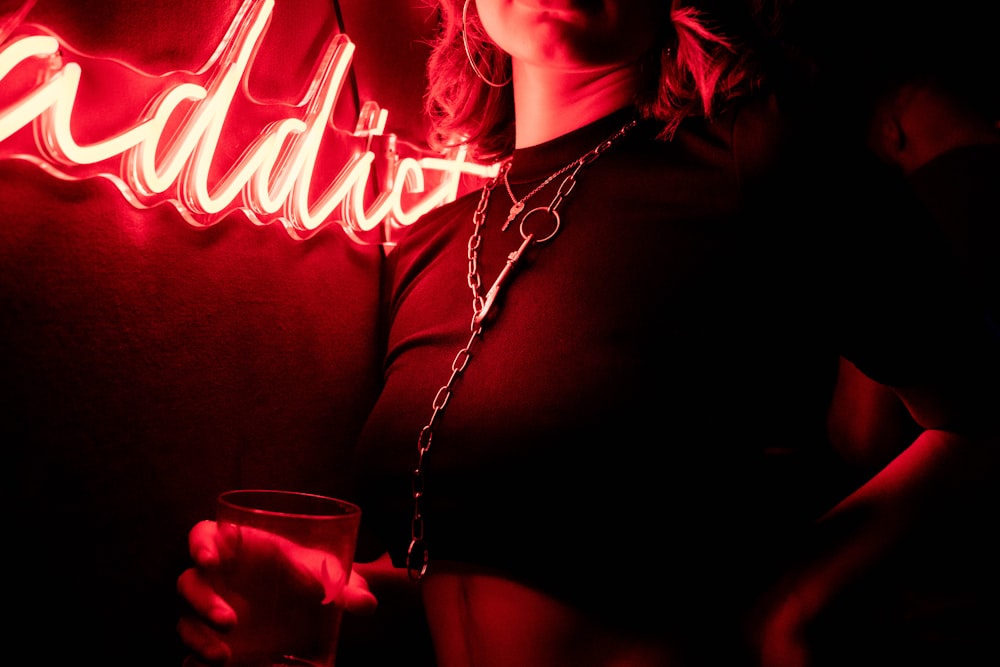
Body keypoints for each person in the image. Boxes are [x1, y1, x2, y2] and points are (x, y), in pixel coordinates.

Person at [176, 1, 1000, 666]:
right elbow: (489, 563)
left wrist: (798, 597)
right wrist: (333, 589)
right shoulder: (431, 240)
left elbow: (993, 416)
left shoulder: (754, 157)